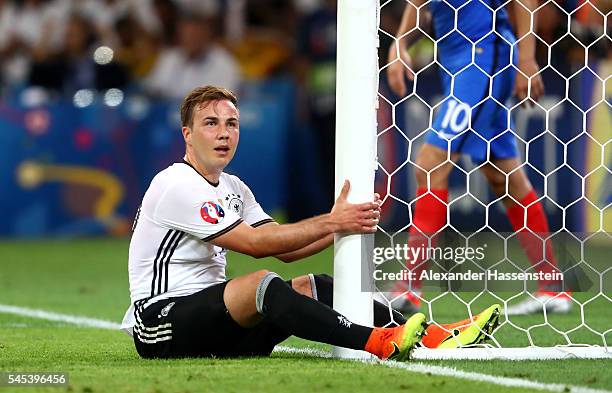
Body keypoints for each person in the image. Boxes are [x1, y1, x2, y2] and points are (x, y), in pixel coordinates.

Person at [120, 85, 501, 360]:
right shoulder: (175, 184)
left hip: (217, 329)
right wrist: (333, 220)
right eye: (210, 123)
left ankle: (434, 336)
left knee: (315, 285)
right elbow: (256, 246)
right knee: (260, 283)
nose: (223, 132)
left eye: (232, 123)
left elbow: (284, 246)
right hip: (160, 324)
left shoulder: (234, 187)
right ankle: (379, 342)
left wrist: (343, 225)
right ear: (187, 135)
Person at [385, 0, 572, 315]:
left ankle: (407, 289)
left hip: (484, 57)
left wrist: (527, 58)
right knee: (503, 176)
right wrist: (400, 42)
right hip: (457, 61)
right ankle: (552, 287)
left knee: (430, 165)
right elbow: (420, 4)